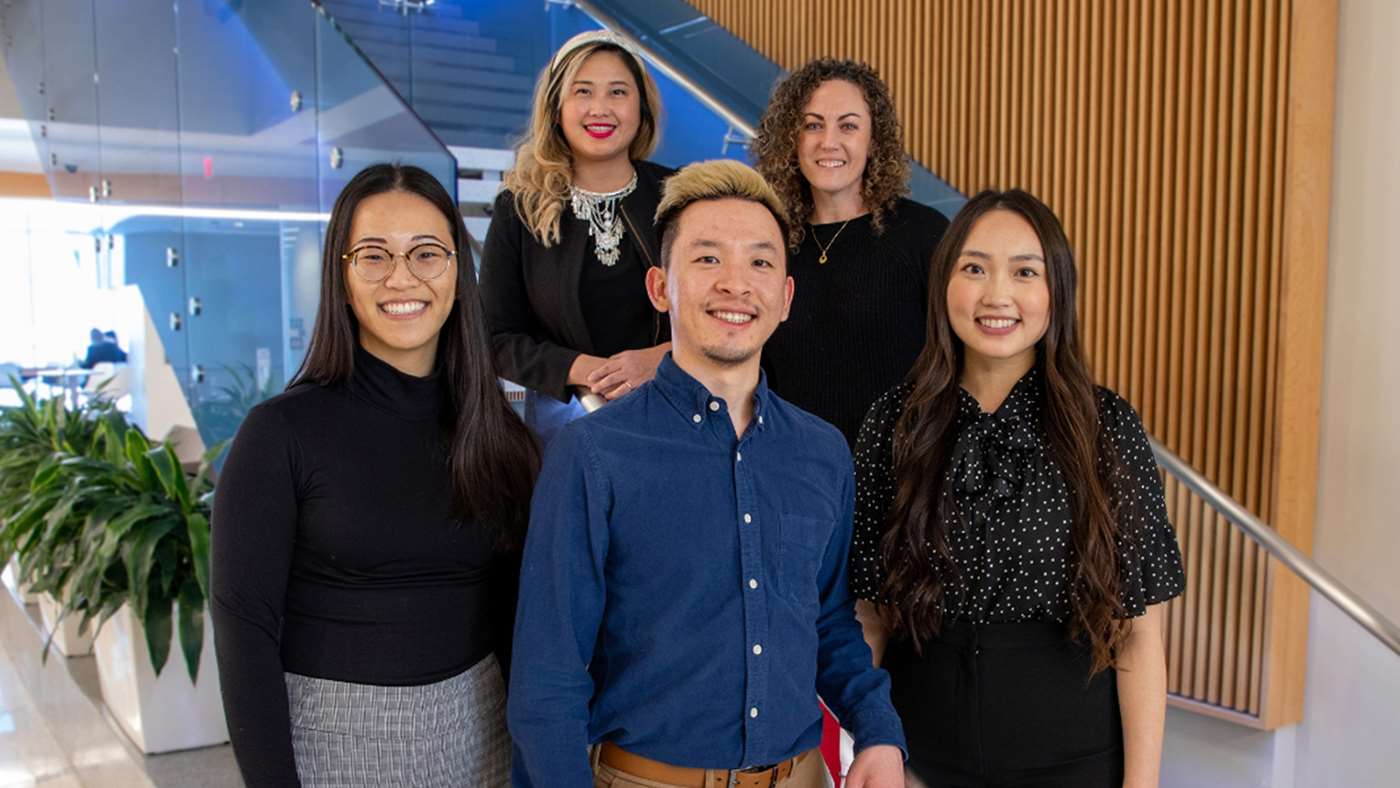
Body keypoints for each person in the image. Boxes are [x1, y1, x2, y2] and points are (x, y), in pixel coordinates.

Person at [508, 160, 908, 788]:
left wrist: (878, 733)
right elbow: (548, 678)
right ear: (660, 287)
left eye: (759, 262)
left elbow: (828, 621)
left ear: (785, 297)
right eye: (707, 258)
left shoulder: (823, 452)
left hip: (802, 776)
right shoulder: (592, 454)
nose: (735, 284)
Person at [211, 163, 540, 787]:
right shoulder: (279, 434)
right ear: (342, 276)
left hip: (483, 739)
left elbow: (512, 616)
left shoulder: (498, 435)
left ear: (458, 275)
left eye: (427, 253)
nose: (402, 277)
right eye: (373, 255)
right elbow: (243, 631)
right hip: (336, 746)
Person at [849, 190, 1185, 787]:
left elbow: (1138, 633)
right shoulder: (894, 422)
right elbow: (870, 617)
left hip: (1074, 762)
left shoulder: (1104, 427)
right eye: (974, 268)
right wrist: (857, 751)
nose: (996, 295)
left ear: (1057, 290)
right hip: (918, 759)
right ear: (943, 283)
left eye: (1025, 272)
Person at [481, 29, 674, 444]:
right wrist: (585, 369)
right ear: (556, 108)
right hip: (566, 427)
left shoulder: (680, 198)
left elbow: (721, 307)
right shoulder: (519, 208)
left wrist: (661, 358)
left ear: (642, 108)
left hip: (674, 417)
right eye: (582, 91)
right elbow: (495, 338)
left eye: (618, 92)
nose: (600, 108)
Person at [753, 58, 949, 449]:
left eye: (848, 126)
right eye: (812, 125)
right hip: (795, 466)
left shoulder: (924, 234)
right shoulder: (768, 242)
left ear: (873, 140)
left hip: (903, 470)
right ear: (791, 139)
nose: (829, 142)